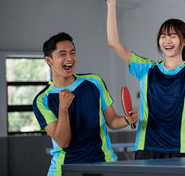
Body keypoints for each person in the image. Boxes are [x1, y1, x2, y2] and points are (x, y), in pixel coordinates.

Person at [103, 0, 185, 160]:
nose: (167, 40)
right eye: (163, 36)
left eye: (173, 36)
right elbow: (114, 43)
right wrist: (111, 4)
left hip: (181, 149)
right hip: (146, 147)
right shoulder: (146, 69)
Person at [33, 32, 138, 176]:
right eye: (62, 54)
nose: (69, 58)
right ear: (49, 60)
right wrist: (63, 109)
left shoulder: (94, 82)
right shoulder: (42, 100)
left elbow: (112, 121)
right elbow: (63, 142)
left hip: (103, 163)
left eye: (72, 53)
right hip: (65, 168)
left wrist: (127, 119)